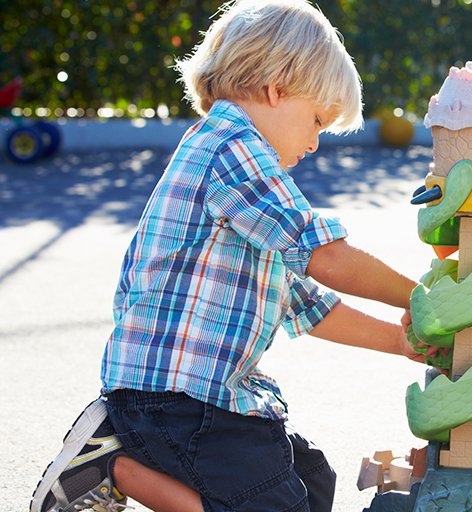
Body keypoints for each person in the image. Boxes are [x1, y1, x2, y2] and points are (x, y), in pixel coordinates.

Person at [29, 1, 426, 511]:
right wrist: (423, 297)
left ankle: (117, 459)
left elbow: (306, 303)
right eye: (317, 120)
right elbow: (325, 255)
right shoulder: (232, 148)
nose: (313, 142)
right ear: (276, 88)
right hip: (175, 400)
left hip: (193, 399)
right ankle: (111, 467)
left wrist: (400, 340)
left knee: (311, 481)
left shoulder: (243, 177)